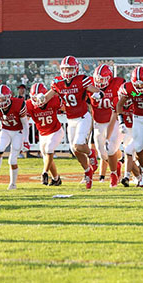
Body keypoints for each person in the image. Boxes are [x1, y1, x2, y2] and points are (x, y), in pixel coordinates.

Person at [42, 56, 103, 189]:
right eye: (65, 69)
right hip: (71, 119)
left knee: (78, 145)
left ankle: (92, 154)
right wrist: (39, 99)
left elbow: (97, 91)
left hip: (83, 117)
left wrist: (98, 94)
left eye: (70, 68)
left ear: (76, 68)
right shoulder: (58, 82)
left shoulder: (82, 80)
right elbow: (47, 97)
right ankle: (88, 171)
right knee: (74, 150)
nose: (67, 71)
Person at [0, 85, 29, 190]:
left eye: (3, 98)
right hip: (5, 130)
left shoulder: (18, 104)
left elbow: (25, 123)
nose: (0, 101)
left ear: (9, 97)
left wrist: (26, 139)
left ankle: (13, 184)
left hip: (18, 132)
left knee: (12, 160)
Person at [26, 83, 64, 186]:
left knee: (49, 150)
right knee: (47, 157)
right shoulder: (29, 104)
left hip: (56, 131)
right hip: (43, 134)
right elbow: (25, 120)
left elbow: (65, 108)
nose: (37, 101)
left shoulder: (53, 100)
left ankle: (44, 173)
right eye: (34, 98)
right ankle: (56, 179)